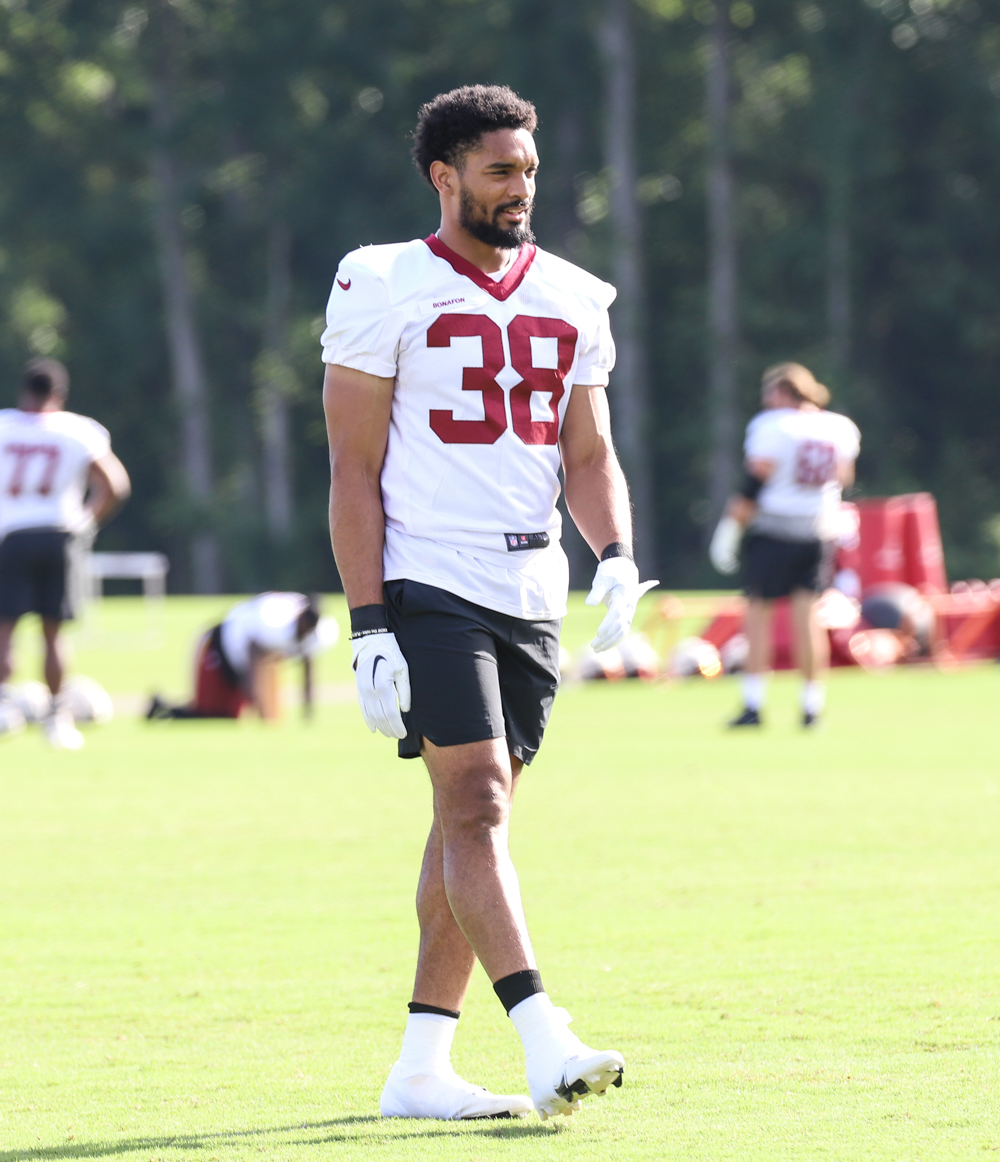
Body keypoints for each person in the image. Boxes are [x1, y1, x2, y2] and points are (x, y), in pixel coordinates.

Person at [321, 85, 656, 1122]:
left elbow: (588, 449)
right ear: (445, 175)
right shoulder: (382, 280)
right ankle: (541, 1033)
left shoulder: (572, 291)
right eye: (500, 170)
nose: (521, 189)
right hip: (431, 573)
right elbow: (352, 466)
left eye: (529, 170)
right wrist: (369, 622)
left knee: (468, 823)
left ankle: (422, 1064)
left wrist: (613, 551)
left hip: (528, 585)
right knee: (478, 806)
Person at [709, 362, 860, 728]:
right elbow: (845, 478)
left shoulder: (772, 426)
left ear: (784, 392)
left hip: (774, 529)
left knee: (758, 614)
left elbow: (755, 481)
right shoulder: (839, 427)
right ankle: (811, 707)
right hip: (818, 530)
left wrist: (730, 529)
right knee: (807, 619)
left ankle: (753, 705)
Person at [0, 358, 131, 748]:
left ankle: (4, 706)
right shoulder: (77, 429)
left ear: (25, 390)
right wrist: (86, 522)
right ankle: (57, 715)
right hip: (59, 532)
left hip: (11, 535)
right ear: (59, 394)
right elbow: (115, 484)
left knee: (4, 629)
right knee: (53, 632)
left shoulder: (5, 425)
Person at [146, 592, 336, 721]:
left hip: (243, 663)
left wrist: (307, 710)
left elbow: (307, 665)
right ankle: (161, 707)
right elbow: (254, 666)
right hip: (219, 647)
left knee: (229, 717)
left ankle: (164, 708)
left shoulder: (320, 634)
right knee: (208, 713)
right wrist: (262, 711)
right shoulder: (271, 623)